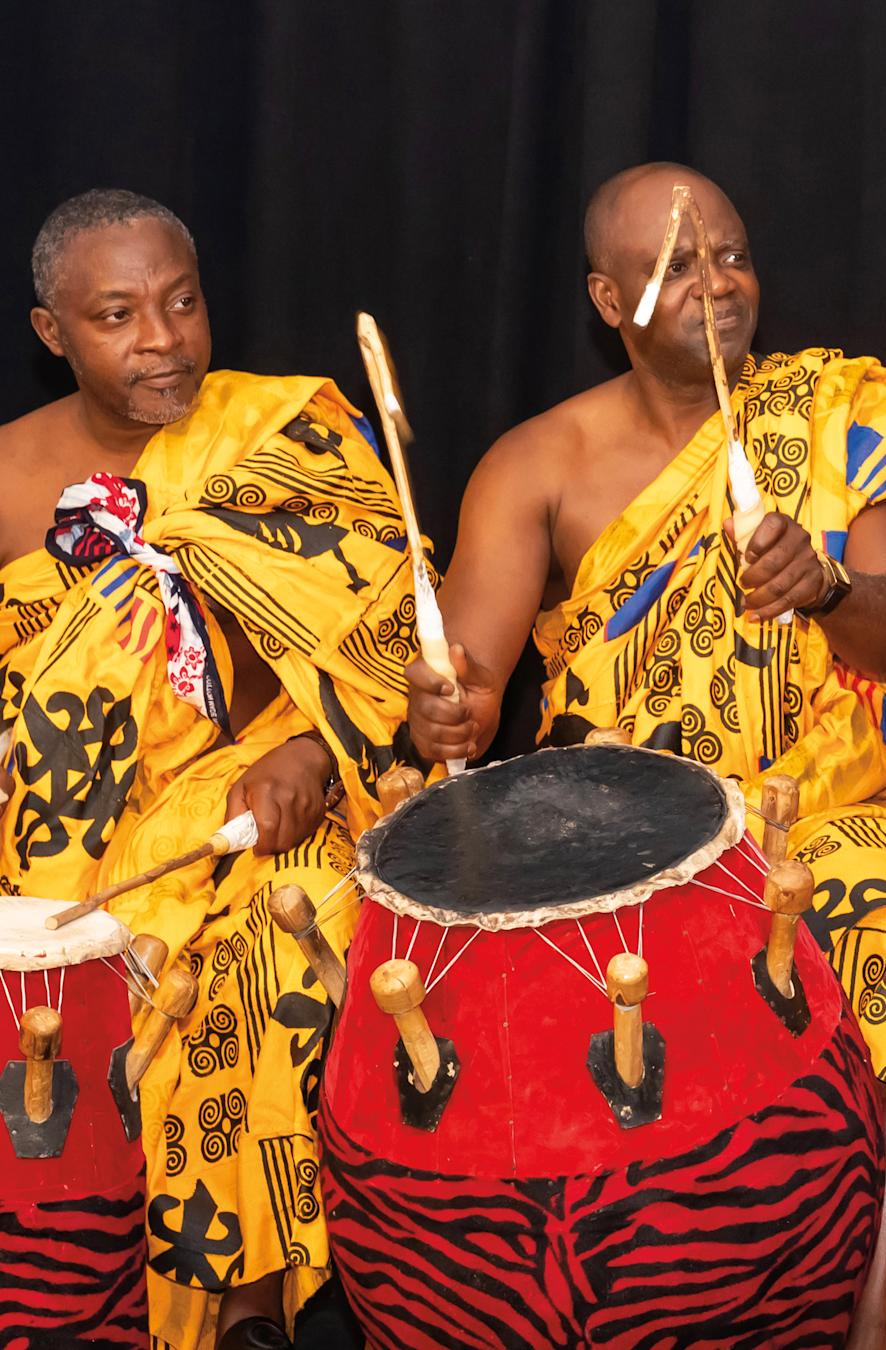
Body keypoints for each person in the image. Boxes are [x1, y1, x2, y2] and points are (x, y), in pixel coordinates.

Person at [401, 163, 886, 1325]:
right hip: (610, 836)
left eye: (729, 254)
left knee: (874, 911)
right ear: (605, 295)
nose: (717, 283)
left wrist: (827, 589)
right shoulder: (539, 462)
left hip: (820, 814)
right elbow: (467, 702)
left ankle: (866, 1315)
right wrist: (444, 706)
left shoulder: (837, 419)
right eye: (678, 265)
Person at [0, 189, 417, 1349]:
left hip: (277, 806)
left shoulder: (290, 438)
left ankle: (251, 1308)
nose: (163, 341)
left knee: (266, 946)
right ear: (53, 336)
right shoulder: (6, 479)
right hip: (57, 855)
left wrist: (308, 756)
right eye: (119, 315)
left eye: (182, 303)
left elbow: (391, 639)